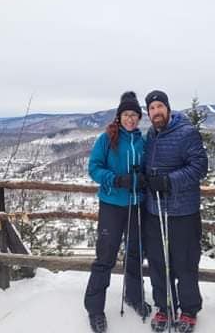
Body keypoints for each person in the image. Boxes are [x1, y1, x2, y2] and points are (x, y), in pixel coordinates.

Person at [84, 91, 151, 333]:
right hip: (112, 205)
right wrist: (115, 179)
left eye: (134, 115)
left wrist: (144, 179)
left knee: (135, 254)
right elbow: (93, 168)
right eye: (126, 114)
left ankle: (134, 297)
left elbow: (148, 169)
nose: (131, 119)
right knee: (105, 257)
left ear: (139, 117)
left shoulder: (143, 142)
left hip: (137, 205)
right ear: (119, 116)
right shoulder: (107, 139)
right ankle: (95, 309)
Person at [143, 90, 208, 333]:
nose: (156, 111)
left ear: (168, 108)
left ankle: (189, 309)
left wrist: (169, 181)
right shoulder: (151, 134)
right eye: (151, 108)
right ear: (148, 112)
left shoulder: (187, 133)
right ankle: (164, 306)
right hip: (155, 211)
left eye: (160, 106)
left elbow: (200, 166)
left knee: (185, 263)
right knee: (159, 263)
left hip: (183, 212)